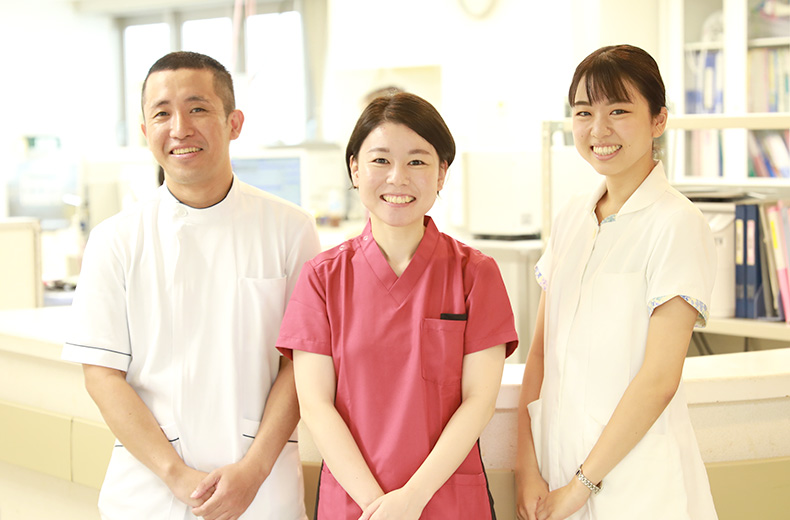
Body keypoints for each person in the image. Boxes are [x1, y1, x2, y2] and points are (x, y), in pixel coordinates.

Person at [62, 51, 320, 520]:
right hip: (148, 494)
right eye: (162, 114)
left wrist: (254, 471)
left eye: (197, 108)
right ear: (146, 131)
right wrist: (176, 475)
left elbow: (300, 364)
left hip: (261, 492)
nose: (180, 128)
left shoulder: (291, 229)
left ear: (234, 123)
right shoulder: (114, 240)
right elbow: (101, 374)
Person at [276, 92, 519, 519]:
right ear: (355, 168)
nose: (398, 177)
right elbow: (315, 404)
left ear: (442, 173)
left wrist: (410, 500)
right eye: (381, 160)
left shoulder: (475, 274)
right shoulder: (322, 278)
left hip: (447, 502)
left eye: (417, 161)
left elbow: (479, 401)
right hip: (355, 505)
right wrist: (379, 508)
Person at [514, 44, 719, 520]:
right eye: (584, 112)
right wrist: (527, 469)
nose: (598, 129)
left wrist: (580, 487)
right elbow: (540, 354)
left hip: (638, 489)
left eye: (619, 111)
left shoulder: (677, 223)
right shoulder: (572, 216)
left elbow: (659, 379)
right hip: (556, 478)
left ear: (658, 120)